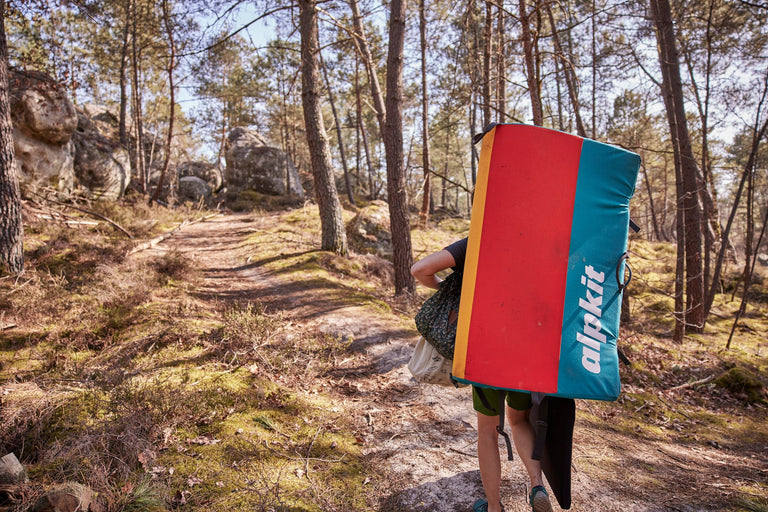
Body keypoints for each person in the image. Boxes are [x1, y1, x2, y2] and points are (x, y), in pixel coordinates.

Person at [410, 237, 554, 512]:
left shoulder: (478, 239)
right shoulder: (538, 239)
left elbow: (420, 269)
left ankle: (493, 508)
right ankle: (537, 485)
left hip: (485, 350)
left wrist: (447, 287)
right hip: (526, 349)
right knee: (519, 420)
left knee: (487, 431)